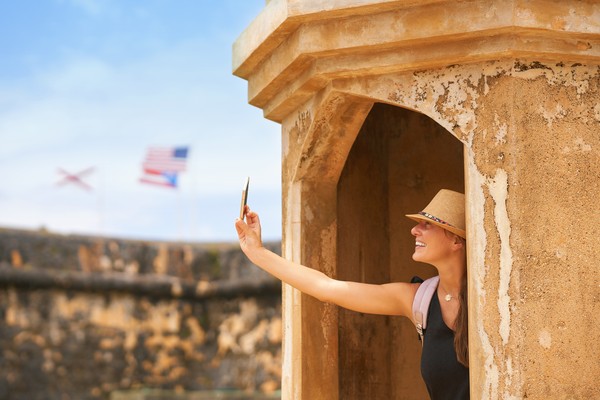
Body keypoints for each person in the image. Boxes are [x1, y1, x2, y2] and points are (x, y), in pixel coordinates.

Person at [234, 189, 469, 400]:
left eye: (428, 225)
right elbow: (325, 287)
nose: (414, 230)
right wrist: (258, 253)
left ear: (457, 240)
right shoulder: (420, 299)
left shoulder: (493, 304)